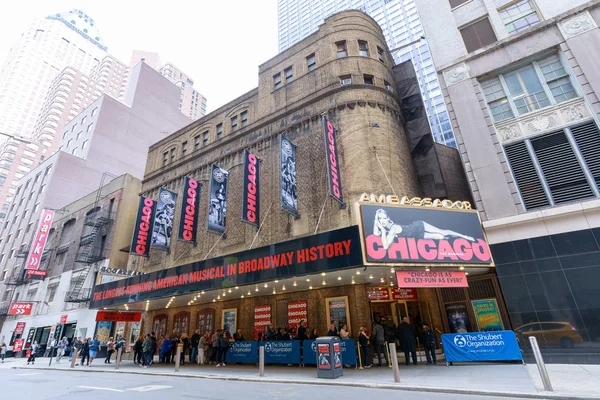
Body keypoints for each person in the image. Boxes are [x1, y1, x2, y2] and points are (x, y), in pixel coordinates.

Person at [373, 208, 475, 250]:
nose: (382, 221)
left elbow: (386, 246)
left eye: (384, 218)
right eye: (380, 218)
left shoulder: (392, 228)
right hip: (417, 235)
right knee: (440, 237)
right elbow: (375, 234)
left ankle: (465, 236)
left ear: (387, 218)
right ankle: (456, 240)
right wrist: (376, 223)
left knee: (443, 232)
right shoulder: (387, 229)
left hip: (418, 226)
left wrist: (382, 230)